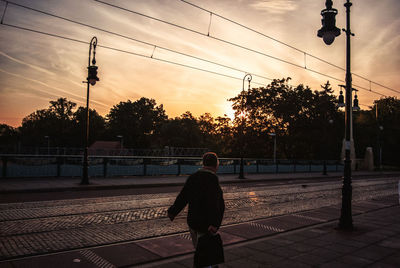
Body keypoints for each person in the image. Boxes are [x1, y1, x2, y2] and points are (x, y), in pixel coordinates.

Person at [168, 152, 225, 263]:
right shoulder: (213, 180)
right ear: (216, 165)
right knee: (205, 253)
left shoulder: (193, 177)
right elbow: (216, 204)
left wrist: (173, 211)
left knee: (199, 248)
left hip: (193, 221)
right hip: (206, 224)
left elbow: (183, 197)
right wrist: (215, 223)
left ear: (203, 163)